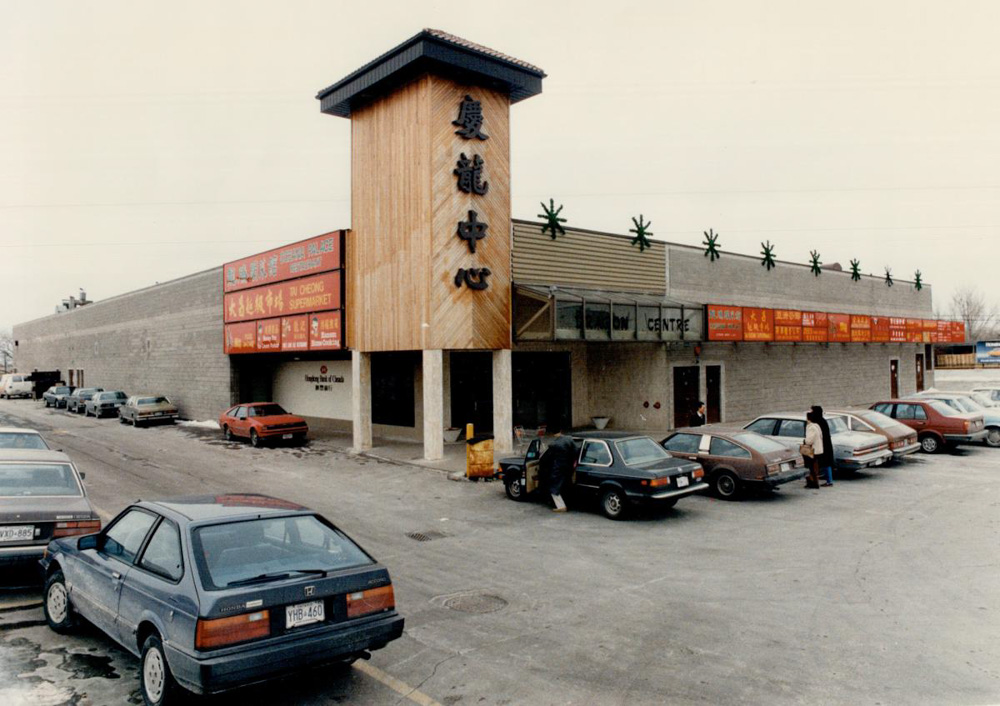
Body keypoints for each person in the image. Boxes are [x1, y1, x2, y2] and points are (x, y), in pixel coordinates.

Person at [539, 427, 576, 512]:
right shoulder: (569, 439)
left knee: (553, 488)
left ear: (552, 434)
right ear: (561, 431)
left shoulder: (553, 444)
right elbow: (575, 451)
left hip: (557, 469)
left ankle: (561, 506)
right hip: (568, 468)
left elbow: (546, 459)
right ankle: (568, 503)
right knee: (566, 486)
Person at [811, 405, 835, 487]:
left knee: (825, 462)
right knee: (825, 462)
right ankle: (827, 478)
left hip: (823, 445)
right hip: (825, 444)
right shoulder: (822, 420)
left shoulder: (818, 422)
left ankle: (829, 481)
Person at [803, 411, 824, 489]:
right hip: (818, 450)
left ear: (808, 418)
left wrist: (805, 440)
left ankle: (812, 483)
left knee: (810, 467)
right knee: (815, 467)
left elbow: (809, 441)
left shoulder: (811, 427)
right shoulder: (817, 426)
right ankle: (815, 482)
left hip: (812, 450)